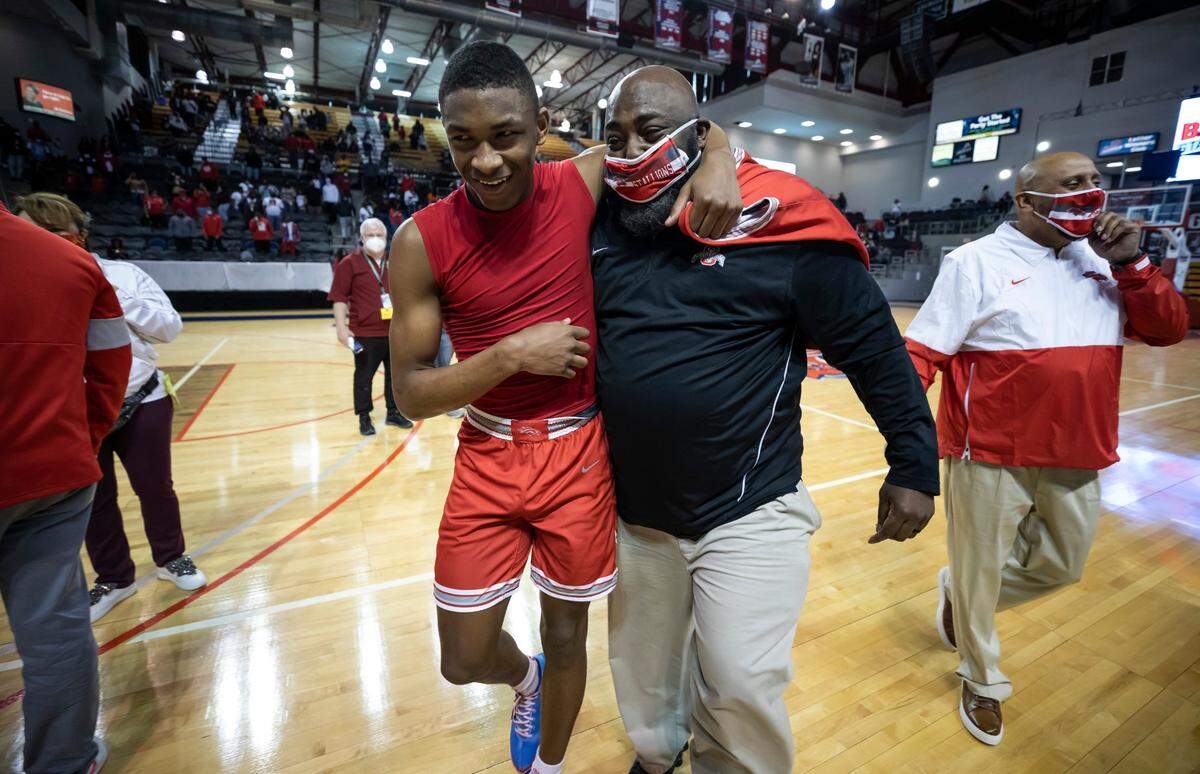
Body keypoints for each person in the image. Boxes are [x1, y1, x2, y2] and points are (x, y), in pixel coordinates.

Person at [386, 42, 740, 774]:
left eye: (505, 137)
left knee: (570, 632)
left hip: (578, 453)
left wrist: (721, 156)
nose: (485, 161)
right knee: (461, 656)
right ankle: (525, 679)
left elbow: (689, 130)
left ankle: (548, 766)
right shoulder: (419, 241)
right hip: (487, 451)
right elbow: (411, 393)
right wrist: (510, 356)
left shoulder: (581, 181)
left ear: (541, 124)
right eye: (464, 142)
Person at [593, 67, 939, 774]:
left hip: (749, 509)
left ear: (695, 134)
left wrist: (914, 461)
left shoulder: (783, 219)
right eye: (616, 136)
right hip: (633, 514)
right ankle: (659, 757)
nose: (630, 149)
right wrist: (717, 147)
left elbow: (873, 346)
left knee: (743, 686)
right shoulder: (596, 220)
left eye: (651, 132)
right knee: (643, 678)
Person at [904, 152, 1188, 746]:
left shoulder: (1108, 263)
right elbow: (924, 352)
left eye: (1094, 182)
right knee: (982, 571)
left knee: (1061, 565)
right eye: (1072, 184)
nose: (1090, 192)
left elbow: (1167, 330)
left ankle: (961, 595)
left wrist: (1135, 263)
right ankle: (981, 679)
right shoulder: (974, 261)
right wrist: (906, 451)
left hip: (1080, 447)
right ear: (1027, 201)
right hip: (988, 450)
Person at [16, 193, 210, 622]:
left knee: (156, 487)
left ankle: (170, 557)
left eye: (46, 233)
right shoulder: (18, 280)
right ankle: (114, 577)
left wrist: (112, 295)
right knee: (94, 497)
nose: (33, 242)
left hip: (142, 398)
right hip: (72, 408)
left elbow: (169, 328)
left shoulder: (124, 274)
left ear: (76, 235)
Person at [0, 196, 130, 774]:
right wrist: (86, 436)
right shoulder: (73, 265)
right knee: (55, 632)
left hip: (51, 466)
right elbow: (112, 366)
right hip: (51, 469)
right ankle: (63, 761)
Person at [329, 218, 413, 435]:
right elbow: (339, 298)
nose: (376, 239)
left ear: (387, 238)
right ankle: (364, 416)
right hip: (365, 333)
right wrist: (341, 328)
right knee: (364, 376)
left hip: (394, 332)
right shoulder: (349, 263)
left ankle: (393, 412)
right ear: (362, 238)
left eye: (380, 235)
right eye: (370, 235)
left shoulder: (396, 260)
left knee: (394, 376)